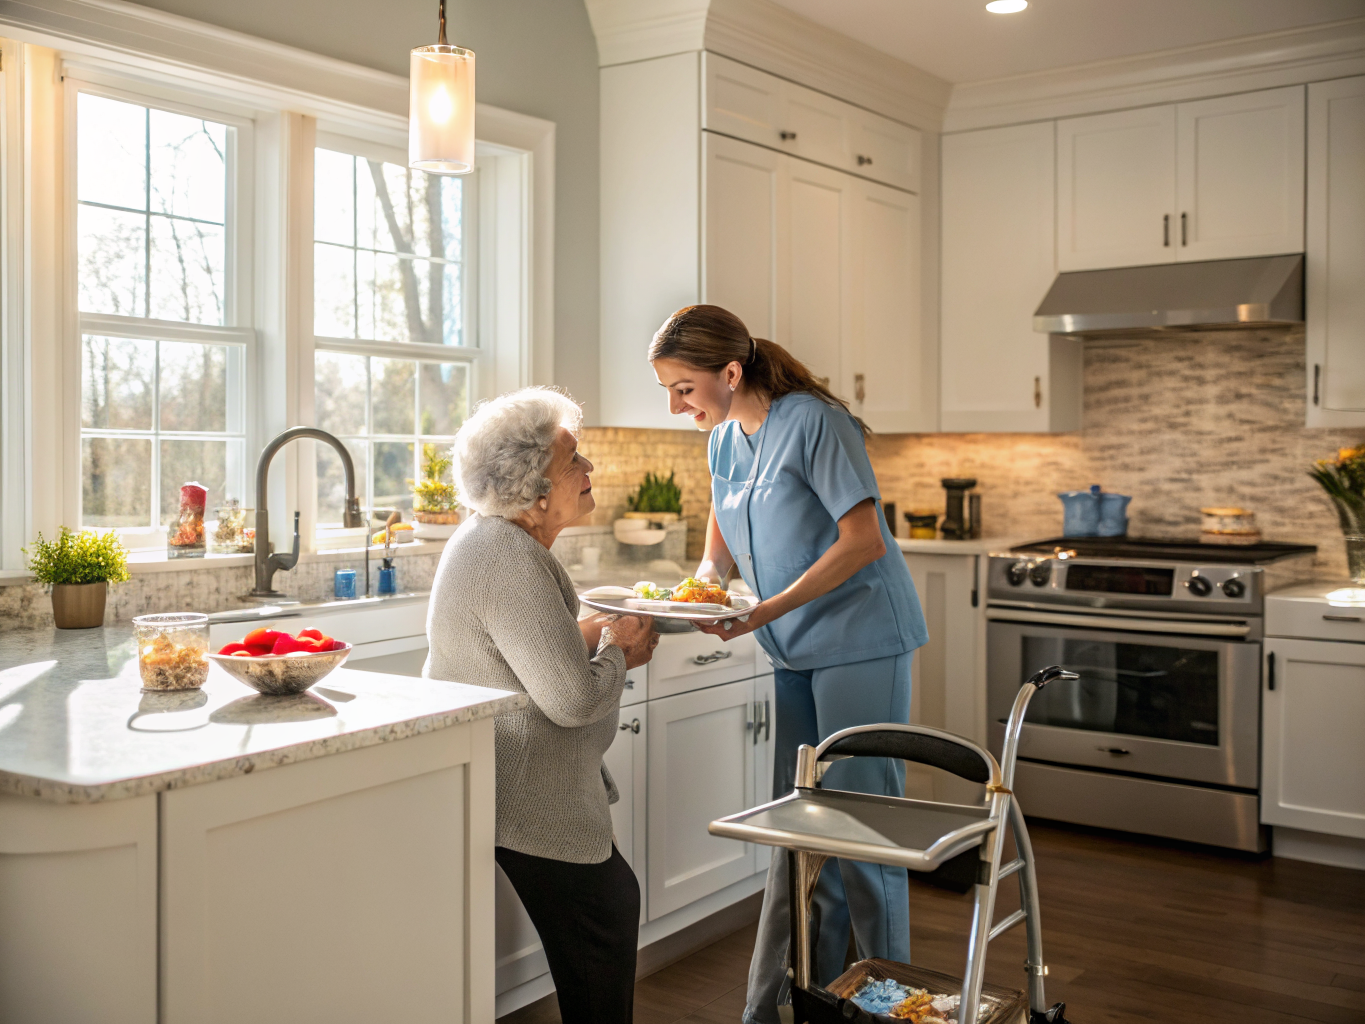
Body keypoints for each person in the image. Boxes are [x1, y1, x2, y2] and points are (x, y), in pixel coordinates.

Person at [649, 305, 929, 1024]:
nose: (676, 404)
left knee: (862, 828)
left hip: (859, 640)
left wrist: (764, 610)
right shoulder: (723, 440)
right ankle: (822, 994)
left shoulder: (812, 423)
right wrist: (706, 580)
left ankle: (892, 1000)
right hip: (791, 649)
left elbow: (862, 541)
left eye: (683, 388)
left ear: (730, 373)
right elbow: (721, 520)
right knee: (807, 828)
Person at [425, 387, 658, 1024]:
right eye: (574, 462)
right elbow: (573, 699)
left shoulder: (501, 544)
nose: (588, 472)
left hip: (525, 783)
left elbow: (532, 649)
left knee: (604, 915)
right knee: (604, 917)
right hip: (530, 795)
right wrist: (619, 647)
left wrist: (598, 631)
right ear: (535, 491)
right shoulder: (507, 558)